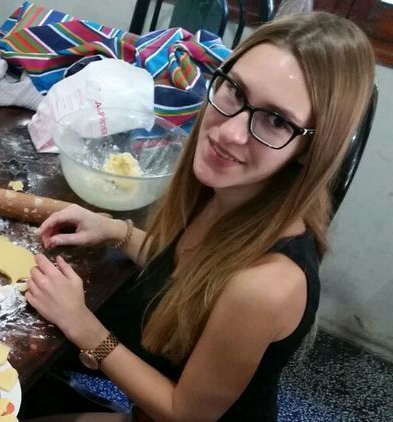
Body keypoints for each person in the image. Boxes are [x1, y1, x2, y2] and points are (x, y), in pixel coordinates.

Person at [24, 12, 375, 421]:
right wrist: (118, 232)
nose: (229, 132)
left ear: (311, 151)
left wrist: (84, 328)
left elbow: (185, 413)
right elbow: (192, 268)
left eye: (276, 121)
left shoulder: (265, 285)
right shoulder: (230, 195)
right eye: (235, 91)